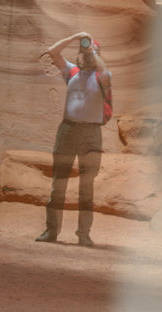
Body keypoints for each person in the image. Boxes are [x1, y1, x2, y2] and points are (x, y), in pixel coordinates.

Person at [35, 30, 111, 246]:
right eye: (84, 52)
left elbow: (104, 70)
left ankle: (84, 234)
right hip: (67, 130)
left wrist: (93, 52)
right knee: (58, 182)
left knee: (87, 185)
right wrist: (75, 37)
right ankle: (51, 231)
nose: (86, 55)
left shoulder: (103, 76)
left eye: (92, 52)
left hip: (91, 134)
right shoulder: (72, 72)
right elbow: (52, 52)